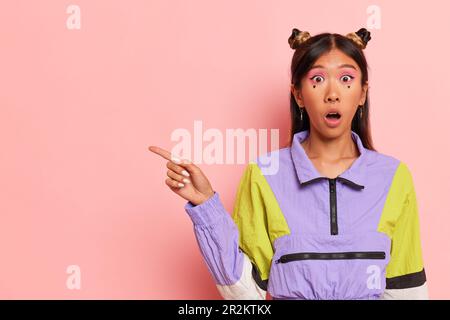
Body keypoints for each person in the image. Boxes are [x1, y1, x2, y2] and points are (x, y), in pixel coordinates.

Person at [148, 27, 428, 300]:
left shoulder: (393, 177)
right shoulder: (265, 175)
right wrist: (205, 205)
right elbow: (248, 293)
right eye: (317, 79)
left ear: (363, 93)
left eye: (346, 79)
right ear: (298, 94)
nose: (333, 93)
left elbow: (407, 291)